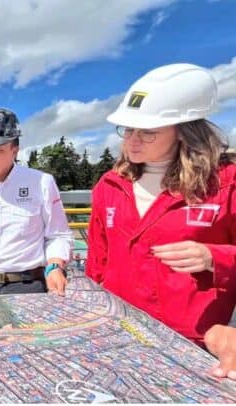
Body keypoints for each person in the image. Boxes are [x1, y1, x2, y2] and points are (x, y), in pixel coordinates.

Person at [86, 63, 236, 346]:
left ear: (183, 131)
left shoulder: (225, 184)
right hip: (120, 333)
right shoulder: (110, 185)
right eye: (129, 129)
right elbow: (97, 263)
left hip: (196, 343)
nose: (133, 140)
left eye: (147, 132)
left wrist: (214, 257)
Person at [0, 108, 72, 296]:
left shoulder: (41, 183)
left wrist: (55, 267)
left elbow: (58, 235)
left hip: (28, 286)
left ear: (14, 150)